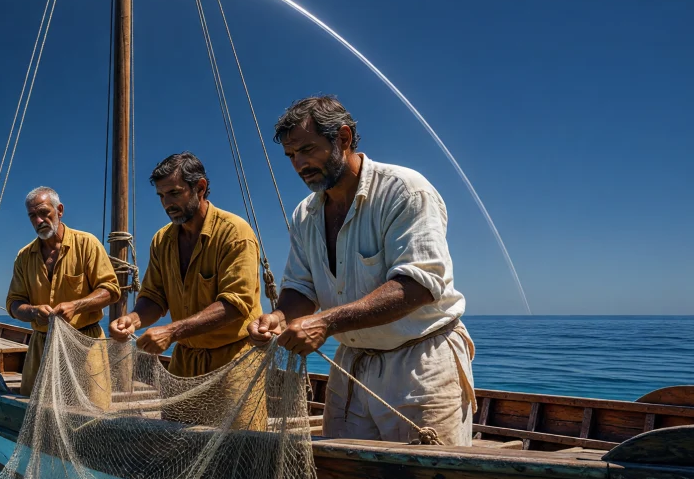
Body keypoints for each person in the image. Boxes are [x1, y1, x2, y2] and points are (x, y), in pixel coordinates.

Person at [248, 96, 474, 446]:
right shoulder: (305, 214)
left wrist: (324, 323)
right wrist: (278, 317)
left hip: (420, 363)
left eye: (308, 149)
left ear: (343, 137)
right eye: (291, 156)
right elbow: (301, 288)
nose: (300, 164)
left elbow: (419, 286)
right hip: (351, 365)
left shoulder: (405, 190)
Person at [108, 153, 266, 429]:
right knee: (178, 444)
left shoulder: (234, 232)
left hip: (233, 362)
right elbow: (154, 298)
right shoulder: (162, 240)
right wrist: (133, 319)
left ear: (200, 188)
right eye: (161, 196)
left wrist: (171, 332)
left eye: (174, 193)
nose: (167, 203)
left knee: (239, 449)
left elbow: (235, 304)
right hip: (184, 364)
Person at [6, 187, 121, 407]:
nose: (39, 220)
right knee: (36, 412)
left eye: (44, 212)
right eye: (32, 216)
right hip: (42, 347)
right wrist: (32, 311)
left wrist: (76, 306)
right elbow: (13, 304)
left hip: (85, 345)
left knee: (92, 415)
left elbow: (111, 290)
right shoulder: (24, 257)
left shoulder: (87, 244)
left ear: (59, 210)